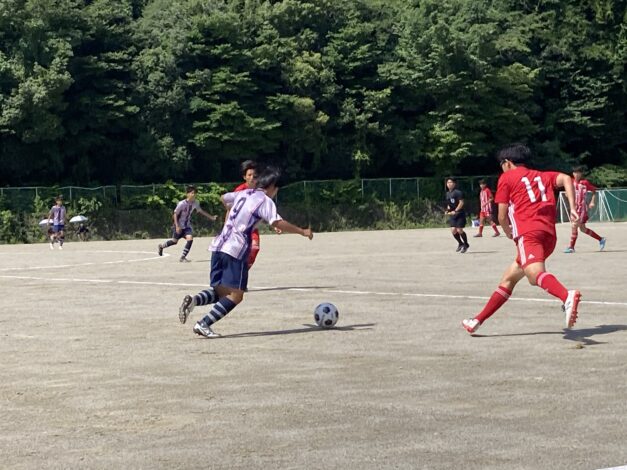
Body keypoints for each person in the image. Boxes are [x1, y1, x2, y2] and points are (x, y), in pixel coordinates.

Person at [178, 166, 313, 338]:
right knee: (236, 295)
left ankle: (195, 300)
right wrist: (302, 231)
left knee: (221, 292)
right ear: (272, 187)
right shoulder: (264, 201)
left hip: (218, 244)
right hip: (236, 249)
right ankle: (203, 324)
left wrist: (232, 215)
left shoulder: (243, 193)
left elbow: (224, 198)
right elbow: (277, 222)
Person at [462, 143, 581, 334]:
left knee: (534, 276)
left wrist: (508, 232)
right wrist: (573, 208)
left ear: (507, 162)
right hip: (549, 235)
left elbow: (501, 216)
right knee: (509, 279)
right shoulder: (542, 175)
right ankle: (476, 320)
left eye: (501, 164)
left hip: (528, 233)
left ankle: (566, 296)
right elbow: (566, 179)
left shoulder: (507, 177)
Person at [158, 185, 218, 262]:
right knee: (174, 241)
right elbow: (175, 214)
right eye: (192, 193)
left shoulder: (195, 203)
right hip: (179, 225)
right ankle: (161, 246)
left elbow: (201, 211)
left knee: (190, 239)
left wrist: (211, 217)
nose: (194, 195)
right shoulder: (181, 204)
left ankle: (183, 257)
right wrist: (177, 226)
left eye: (195, 193)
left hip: (187, 226)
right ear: (187, 194)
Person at [563, 165, 606, 253]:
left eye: (578, 173)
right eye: (575, 173)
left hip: (582, 209)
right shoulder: (570, 182)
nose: (577, 175)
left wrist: (592, 201)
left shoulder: (585, 183)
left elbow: (594, 191)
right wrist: (568, 194)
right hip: (574, 208)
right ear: (573, 174)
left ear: (581, 174)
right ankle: (601, 239)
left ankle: (571, 247)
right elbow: (567, 193)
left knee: (574, 225)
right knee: (582, 229)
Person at [234, 160, 261, 268]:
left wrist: (274, 225)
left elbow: (265, 209)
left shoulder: (259, 191)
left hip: (252, 227)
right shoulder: (239, 191)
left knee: (255, 248)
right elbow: (231, 209)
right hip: (239, 228)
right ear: (244, 177)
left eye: (254, 175)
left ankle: (245, 269)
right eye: (249, 175)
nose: (252, 177)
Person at [445, 178, 469, 253]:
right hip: (453, 215)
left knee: (459, 230)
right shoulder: (447, 193)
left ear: (454, 184)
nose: (449, 184)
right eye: (448, 182)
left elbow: (461, 203)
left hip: (460, 214)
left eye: (451, 182)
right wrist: (447, 210)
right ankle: (460, 243)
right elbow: (449, 204)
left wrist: (456, 211)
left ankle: (466, 244)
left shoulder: (458, 192)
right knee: (453, 230)